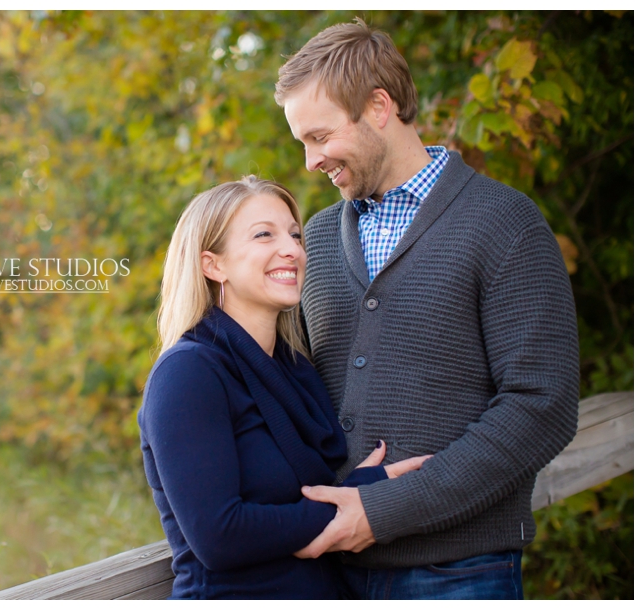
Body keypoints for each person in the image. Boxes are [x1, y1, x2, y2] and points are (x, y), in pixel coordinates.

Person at [273, 19, 580, 599]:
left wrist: (384, 510)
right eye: (302, 143)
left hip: (459, 573)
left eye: (319, 136)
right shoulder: (310, 241)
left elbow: (543, 406)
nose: (311, 161)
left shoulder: (504, 223)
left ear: (379, 106)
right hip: (327, 573)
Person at [137, 177, 428, 599]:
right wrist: (354, 498)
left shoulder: (292, 368)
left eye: (294, 234)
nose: (292, 249)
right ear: (213, 264)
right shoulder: (189, 374)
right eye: (263, 235)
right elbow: (219, 535)